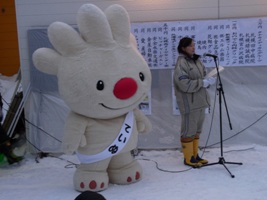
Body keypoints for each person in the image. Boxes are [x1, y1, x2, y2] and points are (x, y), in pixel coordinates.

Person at [173, 37, 216, 167]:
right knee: (188, 130)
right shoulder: (181, 63)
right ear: (183, 48)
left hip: (200, 101)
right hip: (189, 103)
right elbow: (183, 83)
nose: (193, 47)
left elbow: (203, 77)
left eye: (194, 45)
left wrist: (207, 81)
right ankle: (188, 158)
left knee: (197, 130)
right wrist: (202, 83)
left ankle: (195, 155)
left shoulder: (197, 61)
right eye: (190, 46)